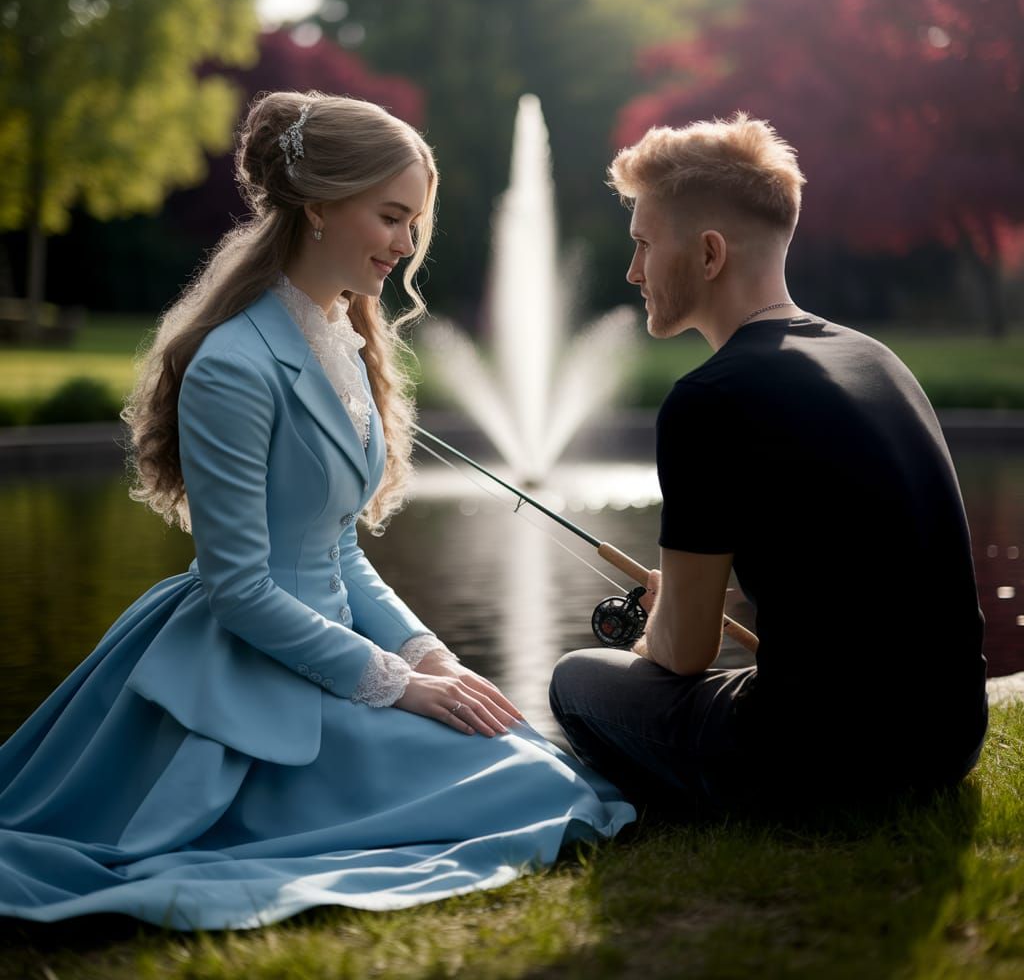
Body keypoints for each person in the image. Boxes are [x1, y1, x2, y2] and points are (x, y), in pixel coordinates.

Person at [0, 91, 633, 930]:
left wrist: (430, 657)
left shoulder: (346, 339)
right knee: (527, 786)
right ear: (320, 206)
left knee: (528, 763)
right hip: (247, 675)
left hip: (336, 663)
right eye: (392, 217)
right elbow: (240, 590)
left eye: (415, 222)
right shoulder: (233, 364)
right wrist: (394, 684)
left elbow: (337, 549)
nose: (407, 246)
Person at [550, 113, 988, 812]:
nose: (632, 271)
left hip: (820, 759)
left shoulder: (707, 399)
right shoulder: (877, 359)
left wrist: (665, 626)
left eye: (643, 245)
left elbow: (684, 655)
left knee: (576, 680)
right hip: (950, 739)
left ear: (709, 254)